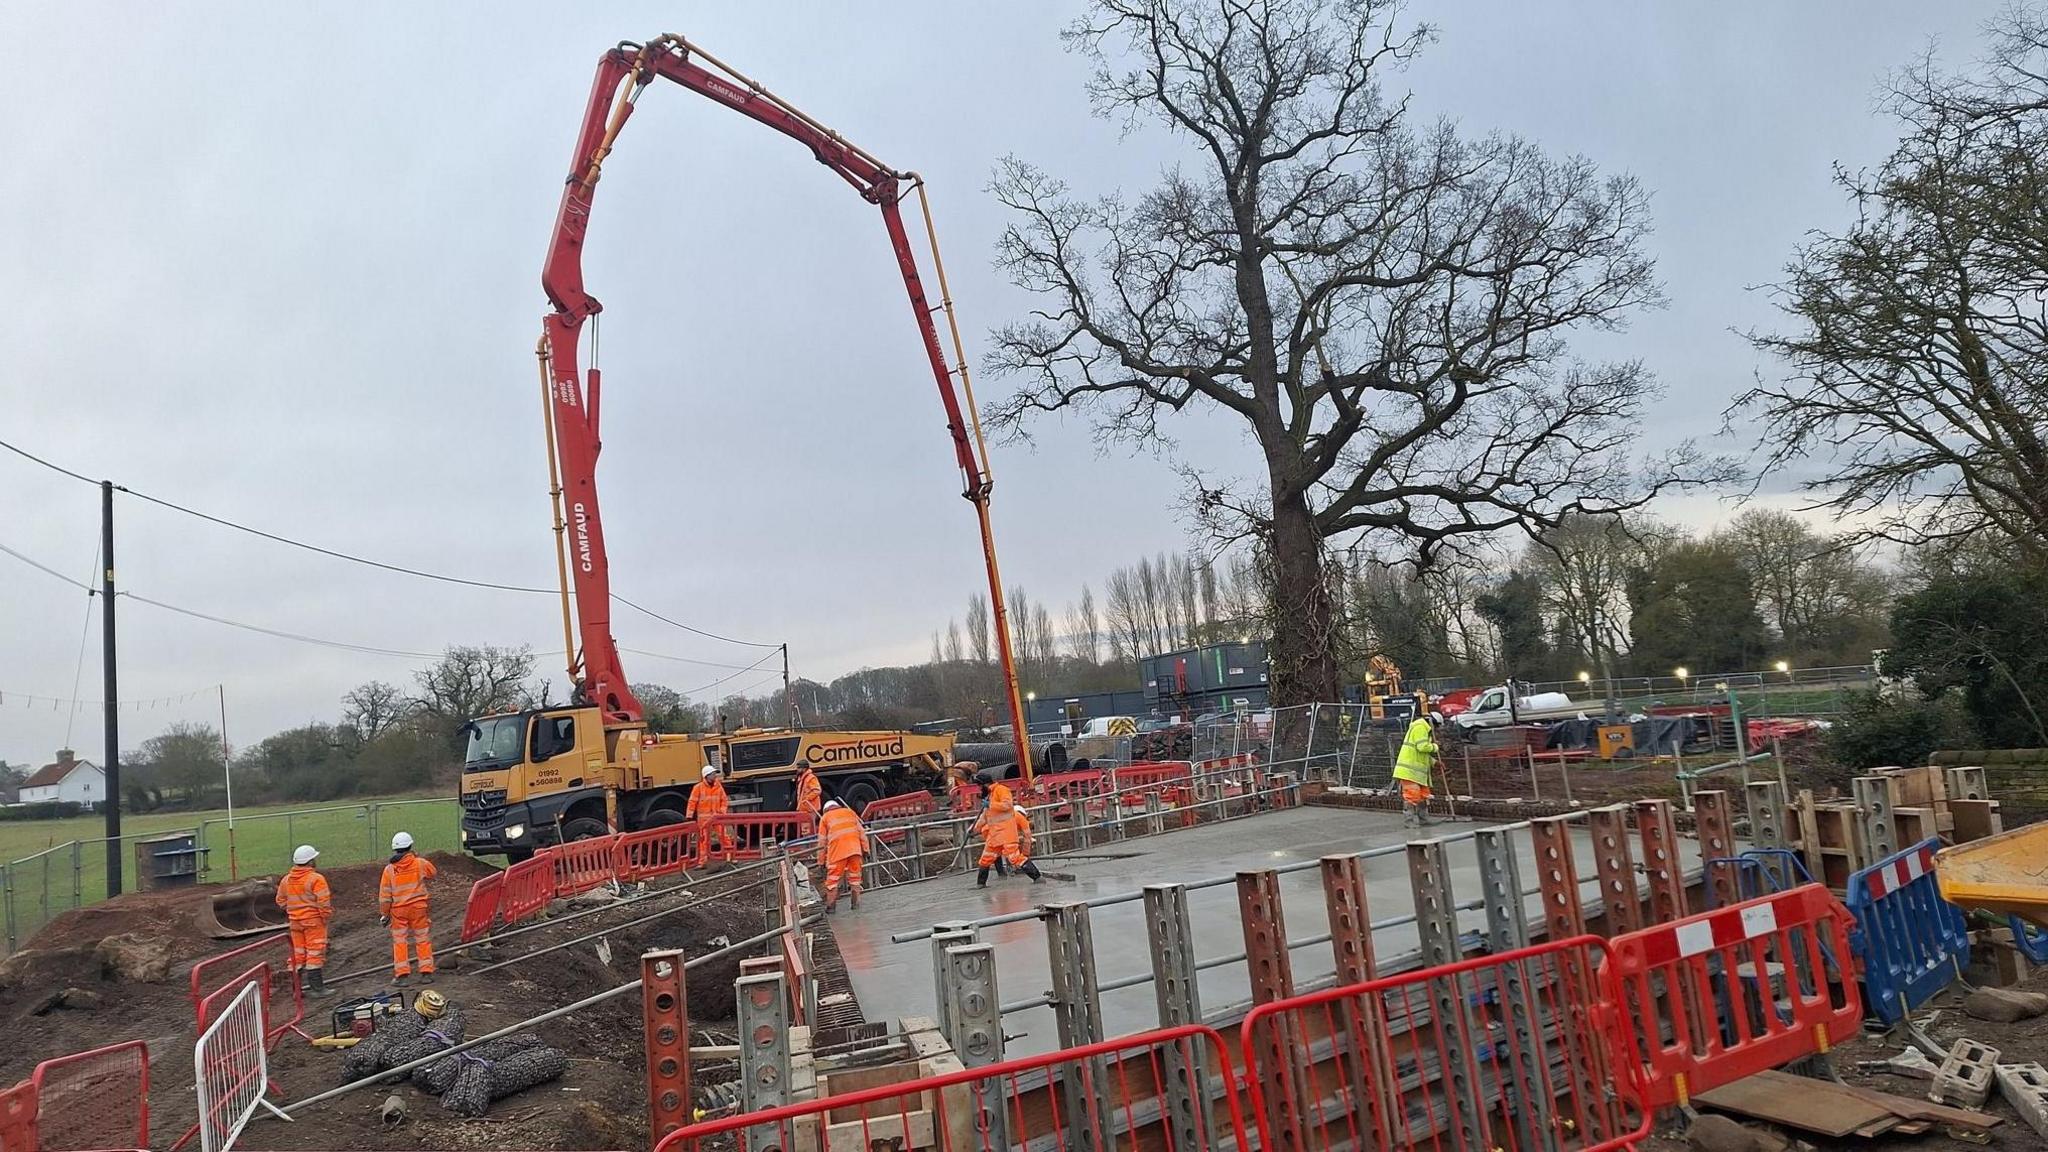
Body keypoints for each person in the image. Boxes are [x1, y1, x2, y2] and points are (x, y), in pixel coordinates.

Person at [275, 844, 334, 997]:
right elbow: (324, 903)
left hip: (295, 923)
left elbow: (280, 901)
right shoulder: (316, 879)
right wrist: (325, 917)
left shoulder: (286, 880)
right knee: (314, 954)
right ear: (310, 861)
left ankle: (296, 990)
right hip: (313, 922)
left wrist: (294, 910)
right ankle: (317, 989)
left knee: (297, 955)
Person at [380, 831, 438, 984]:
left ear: (395, 849)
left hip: (399, 911)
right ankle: (426, 973)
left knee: (400, 942)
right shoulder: (420, 863)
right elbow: (433, 872)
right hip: (418, 908)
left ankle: (402, 975)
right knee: (422, 939)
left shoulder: (389, 870)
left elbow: (385, 897)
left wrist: (385, 915)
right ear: (410, 846)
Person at [972, 794, 1042, 887]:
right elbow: (1027, 836)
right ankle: (1037, 877)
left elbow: (982, 822)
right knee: (1016, 858)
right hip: (1005, 838)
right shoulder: (1019, 817)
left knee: (987, 859)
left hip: (993, 837)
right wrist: (1025, 854)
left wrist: (973, 830)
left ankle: (981, 883)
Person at [815, 798, 868, 912]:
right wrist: (866, 850)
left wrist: (820, 862)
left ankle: (831, 907)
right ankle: (856, 905)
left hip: (837, 852)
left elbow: (822, 842)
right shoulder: (850, 812)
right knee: (855, 879)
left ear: (825, 810)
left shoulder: (825, 818)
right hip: (855, 850)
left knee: (832, 881)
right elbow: (861, 833)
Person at [1394, 711, 1443, 830]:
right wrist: (1435, 746)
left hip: (1417, 772)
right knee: (1412, 796)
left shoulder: (1423, 729)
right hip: (1409, 771)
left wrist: (1434, 762)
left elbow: (1421, 754)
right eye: (1436, 727)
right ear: (1432, 723)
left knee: (1423, 796)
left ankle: (1423, 819)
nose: (1435, 730)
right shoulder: (1420, 727)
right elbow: (1422, 747)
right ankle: (1408, 821)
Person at [687, 765, 735, 864]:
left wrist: (722, 812)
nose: (715, 776)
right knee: (703, 840)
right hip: (705, 820)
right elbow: (692, 802)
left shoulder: (718, 786)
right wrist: (689, 816)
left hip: (717, 818)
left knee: (724, 837)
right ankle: (702, 861)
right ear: (707, 776)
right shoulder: (698, 788)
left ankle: (730, 857)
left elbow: (724, 800)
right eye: (713, 774)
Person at [795, 759, 823, 827]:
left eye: (799, 768)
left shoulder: (811, 778)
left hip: (810, 808)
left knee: (809, 827)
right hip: (805, 807)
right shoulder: (802, 778)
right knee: (805, 827)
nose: (797, 769)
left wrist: (806, 799)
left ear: (804, 768)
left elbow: (817, 790)